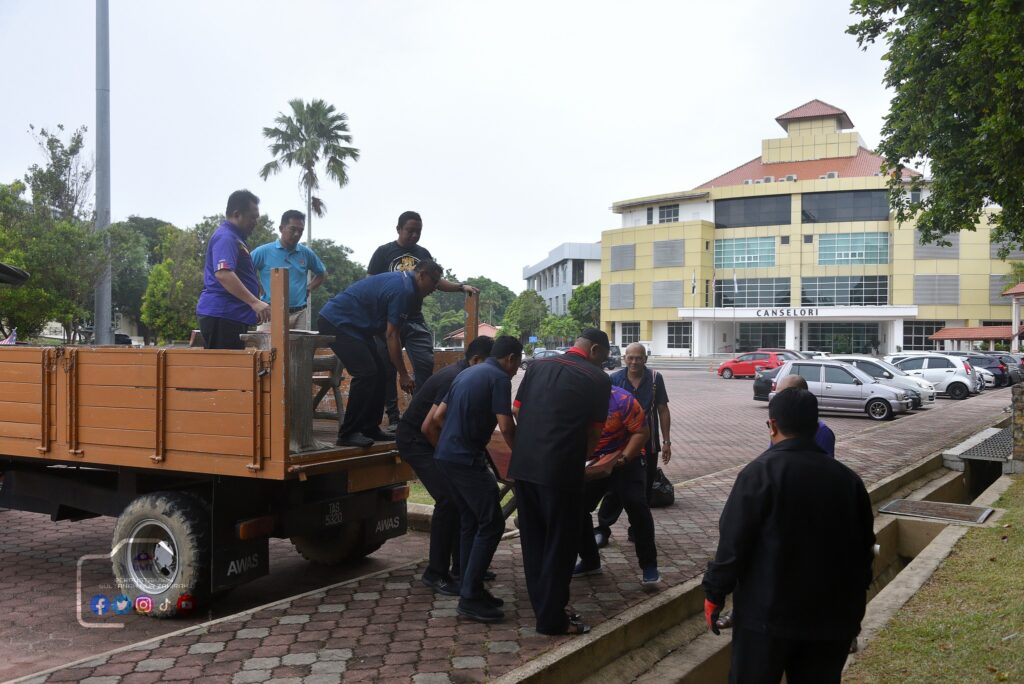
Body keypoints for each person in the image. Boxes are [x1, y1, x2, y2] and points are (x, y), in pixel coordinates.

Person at [702, 388, 875, 684]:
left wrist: (714, 594)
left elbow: (733, 545)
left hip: (766, 618)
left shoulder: (758, 474)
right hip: (830, 619)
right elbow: (863, 553)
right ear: (815, 424)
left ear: (772, 425)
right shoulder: (848, 480)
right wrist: (853, 615)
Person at [509, 328, 612, 636]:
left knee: (534, 541)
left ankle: (546, 609)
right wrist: (579, 456)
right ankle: (552, 619)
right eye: (603, 358)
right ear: (594, 349)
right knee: (560, 544)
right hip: (561, 471)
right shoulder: (598, 379)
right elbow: (595, 435)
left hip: (525, 467)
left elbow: (517, 411)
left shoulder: (537, 367)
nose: (603, 364)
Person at [427, 335, 521, 623]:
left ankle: (472, 588)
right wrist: (521, 457)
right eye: (517, 364)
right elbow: (506, 425)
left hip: (446, 455)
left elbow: (439, 417)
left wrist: (460, 434)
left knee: (470, 520)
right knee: (491, 523)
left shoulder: (467, 373)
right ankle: (469, 597)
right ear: (511, 359)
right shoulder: (500, 378)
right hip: (466, 460)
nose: (517, 370)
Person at [397, 335, 495, 596]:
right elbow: (430, 426)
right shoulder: (456, 377)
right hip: (417, 441)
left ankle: (463, 567)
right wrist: (451, 460)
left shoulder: (469, 375)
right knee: (449, 500)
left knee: (462, 499)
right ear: (475, 360)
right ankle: (435, 572)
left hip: (437, 441)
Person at [367, 211, 479, 424]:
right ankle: (393, 418)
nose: (414, 235)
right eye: (410, 231)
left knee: (424, 362)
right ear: (398, 229)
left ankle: (418, 414)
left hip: (414, 317)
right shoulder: (383, 252)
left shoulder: (423, 253)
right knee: (387, 367)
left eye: (418, 231)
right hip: (386, 320)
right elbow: (371, 283)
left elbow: (437, 281)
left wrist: (460, 287)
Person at [317, 260, 442, 447]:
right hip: (337, 322)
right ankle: (348, 433)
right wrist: (404, 374)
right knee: (366, 373)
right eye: (434, 282)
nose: (435, 288)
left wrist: (393, 360)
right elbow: (392, 335)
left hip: (358, 327)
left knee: (381, 371)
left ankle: (370, 427)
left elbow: (388, 333)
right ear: (421, 275)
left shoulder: (406, 286)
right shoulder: (404, 291)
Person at [575, 385, 659, 585]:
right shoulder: (572, 399)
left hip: (626, 459)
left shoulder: (623, 400)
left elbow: (641, 432)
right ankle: (590, 561)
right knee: (576, 507)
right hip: (593, 462)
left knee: (636, 504)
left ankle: (649, 565)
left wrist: (621, 459)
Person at [595, 342, 671, 547]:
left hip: (649, 443)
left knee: (642, 490)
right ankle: (603, 528)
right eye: (631, 357)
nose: (634, 361)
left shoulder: (655, 379)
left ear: (645, 359)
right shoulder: (615, 379)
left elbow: (662, 409)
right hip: (619, 444)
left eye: (639, 357)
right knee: (613, 489)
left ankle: (636, 529)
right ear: (624, 358)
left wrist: (666, 441)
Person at [195, 190, 270, 349]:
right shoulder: (226, 237)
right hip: (223, 314)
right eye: (252, 218)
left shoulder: (235, 238)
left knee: (231, 371)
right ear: (237, 214)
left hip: (231, 315)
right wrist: (254, 302)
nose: (255, 223)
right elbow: (223, 274)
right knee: (225, 372)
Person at [251, 209, 326, 330]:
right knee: (268, 349)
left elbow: (322, 273)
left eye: (300, 231)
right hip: (271, 312)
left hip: (300, 313)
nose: (297, 234)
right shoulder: (262, 252)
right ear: (281, 228)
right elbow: (245, 272)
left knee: (300, 349)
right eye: (293, 229)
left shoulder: (306, 253)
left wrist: (309, 288)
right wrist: (258, 288)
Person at [773, 374, 836, 456]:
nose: (778, 400)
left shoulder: (822, 432)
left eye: (783, 395)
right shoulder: (777, 425)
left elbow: (825, 465)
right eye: (777, 395)